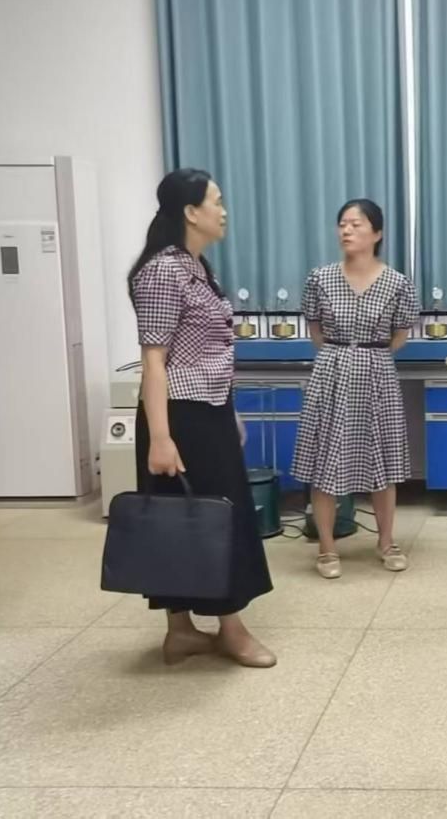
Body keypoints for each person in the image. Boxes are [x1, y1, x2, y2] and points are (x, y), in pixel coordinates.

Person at [128, 168, 275, 668]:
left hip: (207, 411)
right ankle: (230, 631)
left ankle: (181, 632)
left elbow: (210, 352)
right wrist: (161, 438)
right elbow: (154, 361)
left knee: (191, 518)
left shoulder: (195, 267)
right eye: (217, 201)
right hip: (179, 418)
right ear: (191, 212)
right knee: (209, 519)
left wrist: (229, 413)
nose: (224, 210)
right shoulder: (162, 272)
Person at [291, 199, 418, 579]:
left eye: (356, 224)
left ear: (377, 233)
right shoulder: (320, 278)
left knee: (383, 463)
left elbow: (399, 336)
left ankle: (386, 542)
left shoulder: (398, 283)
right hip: (330, 372)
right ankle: (327, 548)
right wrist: (341, 357)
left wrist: (367, 356)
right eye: (342, 223)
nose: (346, 230)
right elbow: (316, 332)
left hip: (377, 373)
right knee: (325, 462)